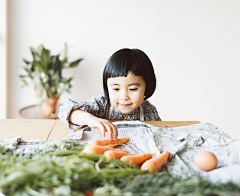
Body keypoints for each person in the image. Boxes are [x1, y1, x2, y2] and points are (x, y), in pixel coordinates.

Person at [58, 48, 161, 141]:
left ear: (147, 86)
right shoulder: (102, 106)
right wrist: (90, 119)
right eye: (116, 88)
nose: (124, 97)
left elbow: (160, 134)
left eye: (132, 89)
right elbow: (65, 110)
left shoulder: (149, 111)